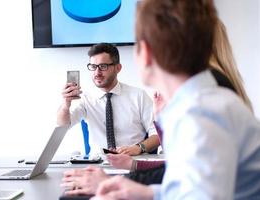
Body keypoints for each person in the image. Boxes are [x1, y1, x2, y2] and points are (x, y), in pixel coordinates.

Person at [92, 0, 260, 199]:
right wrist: (148, 193)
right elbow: (190, 188)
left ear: (145, 53)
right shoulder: (201, 102)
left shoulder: (200, 114)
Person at [57, 43, 159, 155]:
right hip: (99, 164)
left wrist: (139, 148)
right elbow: (62, 126)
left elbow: (158, 134)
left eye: (103, 66)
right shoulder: (86, 98)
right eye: (93, 67)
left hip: (133, 162)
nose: (97, 73)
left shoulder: (139, 96)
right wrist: (66, 104)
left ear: (118, 68)